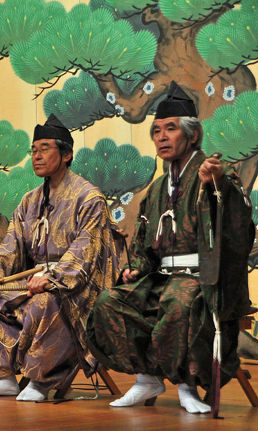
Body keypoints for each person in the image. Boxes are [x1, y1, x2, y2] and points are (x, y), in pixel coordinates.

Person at [86, 82, 254, 414]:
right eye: (157, 130)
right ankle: (147, 377)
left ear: (192, 135)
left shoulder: (215, 173)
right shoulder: (158, 188)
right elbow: (146, 244)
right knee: (109, 302)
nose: (161, 137)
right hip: (161, 278)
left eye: (171, 129)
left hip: (202, 281)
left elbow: (238, 225)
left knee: (179, 300)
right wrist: (136, 265)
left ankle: (187, 383)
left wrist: (218, 183)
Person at [0, 115, 119, 402]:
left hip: (76, 285)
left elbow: (85, 250)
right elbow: (11, 245)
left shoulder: (89, 198)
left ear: (66, 154)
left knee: (44, 302)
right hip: (34, 279)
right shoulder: (29, 200)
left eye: (44, 148)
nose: (36, 156)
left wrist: (52, 278)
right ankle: (3, 377)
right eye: (33, 150)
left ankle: (40, 381)